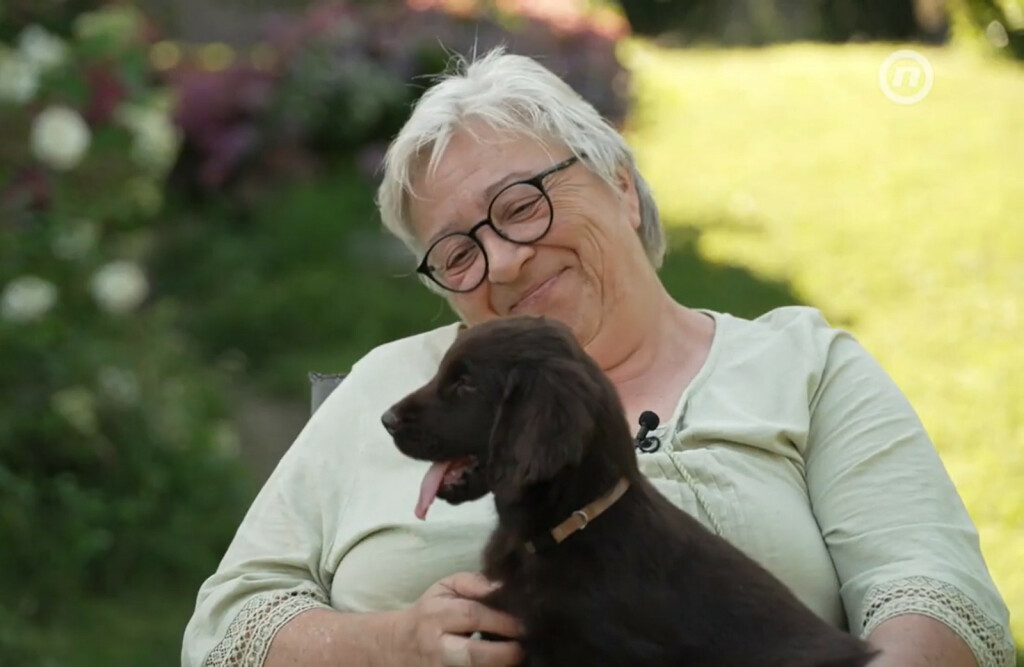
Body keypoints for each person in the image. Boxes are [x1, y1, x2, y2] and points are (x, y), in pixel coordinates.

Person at [182, 47, 1015, 667]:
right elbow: (227, 629)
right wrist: (386, 640)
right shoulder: (392, 390)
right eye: (459, 253)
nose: (502, 260)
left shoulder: (802, 366)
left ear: (619, 182)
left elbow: (933, 590)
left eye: (521, 204)